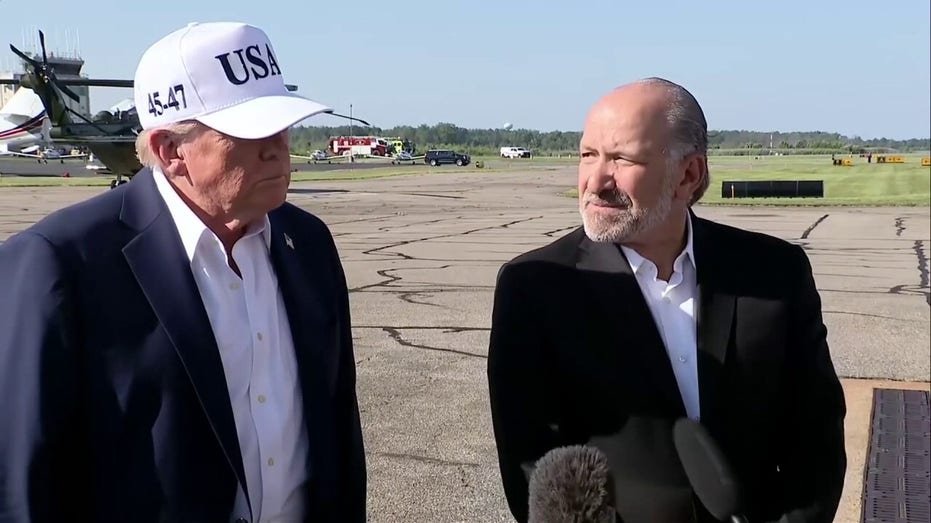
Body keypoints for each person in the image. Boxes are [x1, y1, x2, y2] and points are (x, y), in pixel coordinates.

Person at [0, 22, 365, 522]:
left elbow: (337, 435)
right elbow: (24, 482)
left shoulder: (309, 246)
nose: (276, 146)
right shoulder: (59, 265)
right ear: (172, 151)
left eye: (282, 125)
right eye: (248, 131)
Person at [487, 77, 846, 522]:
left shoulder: (775, 273)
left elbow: (816, 439)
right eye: (587, 155)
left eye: (621, 158)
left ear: (688, 175)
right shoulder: (534, 288)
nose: (595, 181)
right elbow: (531, 467)